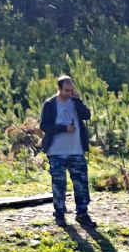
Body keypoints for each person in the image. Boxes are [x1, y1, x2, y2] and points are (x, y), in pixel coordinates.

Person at [40, 75, 94, 229]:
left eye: (72, 90)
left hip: (76, 150)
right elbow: (44, 126)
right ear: (59, 89)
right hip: (56, 151)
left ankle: (82, 214)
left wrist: (78, 100)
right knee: (59, 184)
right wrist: (64, 128)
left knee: (81, 184)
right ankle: (60, 214)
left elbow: (87, 115)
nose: (69, 93)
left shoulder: (75, 102)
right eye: (66, 90)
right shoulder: (50, 104)